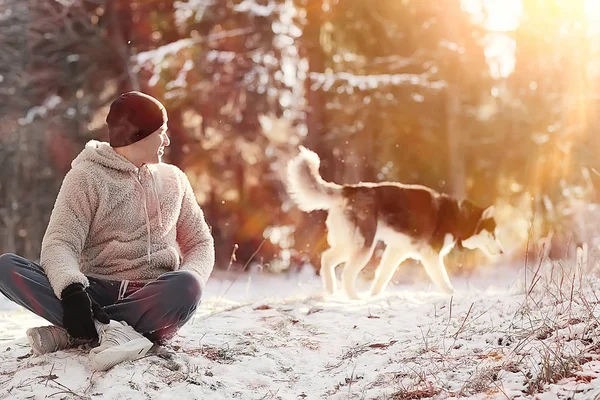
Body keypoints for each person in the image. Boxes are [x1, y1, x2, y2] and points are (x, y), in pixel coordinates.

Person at [0, 91, 215, 371]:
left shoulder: (174, 180)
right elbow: (60, 242)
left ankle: (77, 332)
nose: (167, 140)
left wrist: (193, 275)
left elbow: (199, 243)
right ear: (139, 134)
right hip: (95, 292)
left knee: (187, 286)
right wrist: (72, 290)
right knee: (6, 267)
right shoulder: (86, 177)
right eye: (161, 131)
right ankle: (113, 329)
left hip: (152, 295)